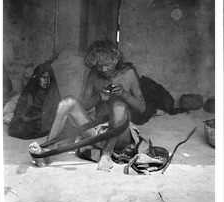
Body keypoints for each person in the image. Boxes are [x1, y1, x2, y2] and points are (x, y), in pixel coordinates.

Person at [29, 40, 164, 171]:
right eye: (99, 65)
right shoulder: (94, 73)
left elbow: (142, 107)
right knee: (68, 102)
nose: (103, 69)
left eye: (106, 64)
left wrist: (124, 94)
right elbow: (84, 105)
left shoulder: (129, 73)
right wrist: (99, 97)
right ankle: (45, 153)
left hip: (120, 135)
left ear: (115, 60)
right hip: (97, 133)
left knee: (118, 105)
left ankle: (106, 155)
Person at [8, 63, 61, 140]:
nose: (46, 81)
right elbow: (22, 106)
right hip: (29, 118)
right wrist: (22, 117)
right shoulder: (32, 91)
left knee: (24, 131)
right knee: (14, 128)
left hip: (43, 121)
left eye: (49, 78)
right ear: (37, 78)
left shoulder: (52, 94)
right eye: (43, 77)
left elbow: (49, 113)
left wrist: (31, 118)